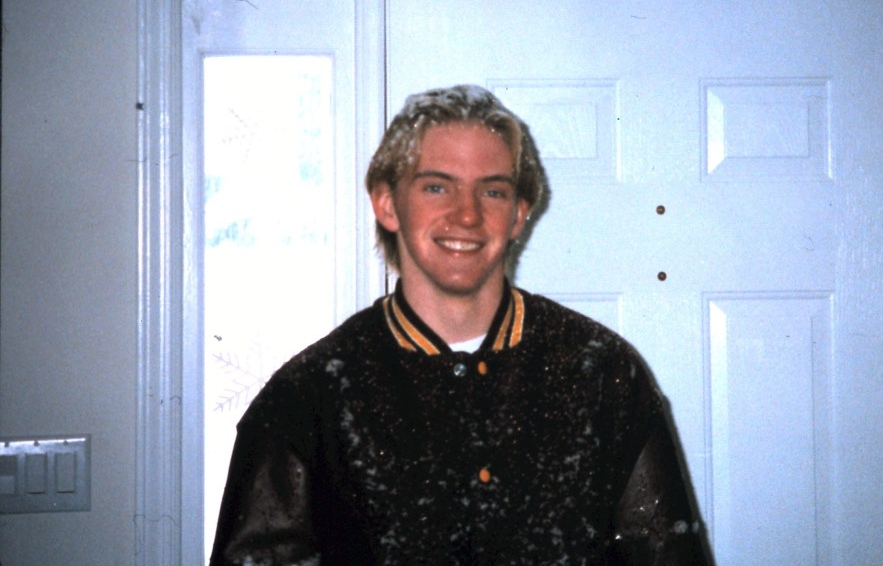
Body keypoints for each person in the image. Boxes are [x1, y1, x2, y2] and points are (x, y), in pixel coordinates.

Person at [210, 85, 714, 565]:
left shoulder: (604, 376)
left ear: (519, 214)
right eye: (436, 187)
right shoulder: (307, 399)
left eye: (492, 192)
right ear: (386, 203)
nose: (466, 215)